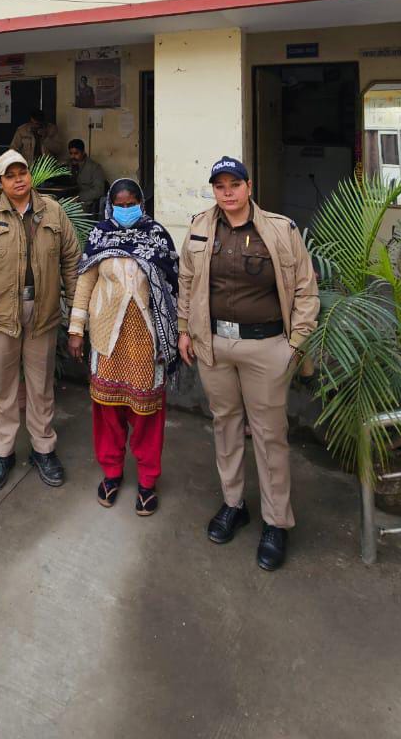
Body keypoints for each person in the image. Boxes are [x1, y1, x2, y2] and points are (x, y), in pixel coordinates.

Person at [177, 156, 319, 571]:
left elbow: (306, 289)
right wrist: (185, 328)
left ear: (249, 186)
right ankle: (233, 503)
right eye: (220, 186)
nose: (227, 192)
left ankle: (276, 522)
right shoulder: (200, 227)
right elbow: (187, 281)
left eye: (234, 184)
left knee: (270, 435)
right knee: (225, 425)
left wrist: (295, 345)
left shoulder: (279, 229)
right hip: (215, 345)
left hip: (267, 347)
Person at [0, 149, 81, 492]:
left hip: (43, 313)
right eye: (10, 176)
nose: (18, 180)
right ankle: (4, 452)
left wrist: (76, 315)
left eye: (22, 173)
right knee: (2, 386)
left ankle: (43, 449)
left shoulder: (53, 212)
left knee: (41, 386)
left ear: (30, 174)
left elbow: (72, 263)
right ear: (0, 181)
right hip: (0, 316)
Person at [68, 178, 179, 517]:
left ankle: (147, 480)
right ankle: (112, 472)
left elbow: (174, 286)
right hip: (107, 338)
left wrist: (177, 334)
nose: (126, 209)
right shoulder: (99, 235)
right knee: (107, 410)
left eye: (132, 204)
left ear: (142, 204)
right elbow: (85, 283)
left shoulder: (157, 236)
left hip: (147, 340)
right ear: (110, 205)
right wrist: (76, 329)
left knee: (147, 413)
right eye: (120, 204)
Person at [67, 139, 105, 219]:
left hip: (86, 203)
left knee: (73, 214)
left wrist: (78, 197)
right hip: (67, 200)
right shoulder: (67, 165)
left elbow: (99, 190)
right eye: (71, 153)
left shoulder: (94, 168)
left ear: (83, 152)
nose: (73, 156)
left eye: (76, 153)